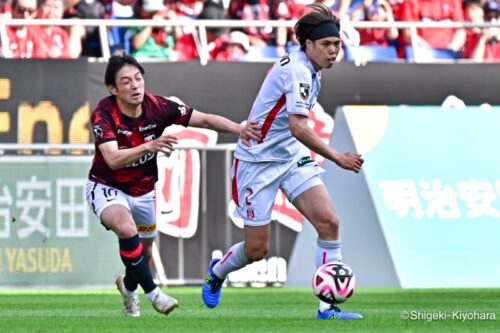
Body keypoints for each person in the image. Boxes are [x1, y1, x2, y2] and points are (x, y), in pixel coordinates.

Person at [201, 2, 364, 320]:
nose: (334, 51)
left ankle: (327, 308)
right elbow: (298, 126)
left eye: (337, 44)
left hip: (290, 157)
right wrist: (337, 157)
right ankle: (217, 272)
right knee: (257, 250)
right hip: (256, 163)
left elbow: (294, 132)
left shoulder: (311, 68)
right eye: (327, 44)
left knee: (329, 223)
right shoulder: (298, 70)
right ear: (308, 44)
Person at [85, 52, 261, 317]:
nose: (135, 85)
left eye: (138, 78)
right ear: (112, 88)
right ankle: (155, 294)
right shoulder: (104, 112)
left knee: (144, 252)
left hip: (143, 190)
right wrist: (150, 145)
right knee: (125, 227)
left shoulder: (158, 107)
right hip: (106, 186)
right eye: (126, 82)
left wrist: (238, 128)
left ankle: (129, 289)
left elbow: (202, 119)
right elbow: (112, 159)